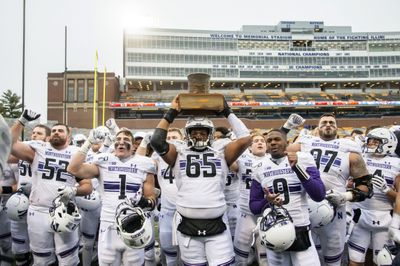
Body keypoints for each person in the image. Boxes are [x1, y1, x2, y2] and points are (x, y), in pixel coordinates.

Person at [150, 95, 252, 265]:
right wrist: (171, 113)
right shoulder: (179, 151)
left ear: (210, 134)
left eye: (202, 131)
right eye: (194, 131)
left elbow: (246, 139)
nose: (198, 135)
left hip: (218, 224)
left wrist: (227, 112)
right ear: (187, 134)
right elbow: (156, 141)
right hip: (187, 225)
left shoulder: (221, 150)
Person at [287, 113, 373, 266]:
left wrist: (345, 196)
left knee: (334, 255)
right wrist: (286, 128)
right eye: (324, 122)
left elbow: (367, 186)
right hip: (305, 206)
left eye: (332, 123)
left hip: (336, 207)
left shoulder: (349, 148)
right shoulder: (304, 143)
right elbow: (279, 155)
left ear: (337, 128)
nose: (328, 125)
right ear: (317, 127)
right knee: (304, 256)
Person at [10, 109, 93, 266]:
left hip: (64, 210)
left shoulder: (75, 154)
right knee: (41, 260)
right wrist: (22, 121)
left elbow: (87, 187)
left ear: (68, 137)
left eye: (60, 131)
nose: (56, 133)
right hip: (38, 211)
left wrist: (74, 191)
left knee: (69, 260)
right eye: (53, 130)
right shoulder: (38, 150)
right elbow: (10, 144)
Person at [67, 127, 157, 266]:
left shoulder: (145, 163)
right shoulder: (104, 160)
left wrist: (145, 202)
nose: (121, 142)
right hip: (108, 224)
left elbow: (151, 197)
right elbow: (73, 169)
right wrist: (89, 142)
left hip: (134, 223)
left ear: (134, 146)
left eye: (126, 139)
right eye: (118, 139)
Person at [250, 129, 326, 265]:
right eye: (269, 140)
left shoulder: (304, 158)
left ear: (287, 142)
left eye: (277, 139)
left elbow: (319, 195)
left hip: (300, 229)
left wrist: (297, 168)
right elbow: (254, 207)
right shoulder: (258, 166)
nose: (273, 142)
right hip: (274, 230)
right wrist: (267, 201)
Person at [348, 127, 400, 266]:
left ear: (388, 143)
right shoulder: (361, 158)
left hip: (384, 218)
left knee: (382, 261)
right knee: (355, 260)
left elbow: (399, 198)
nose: (370, 143)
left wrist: (386, 190)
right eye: (369, 140)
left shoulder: (397, 163)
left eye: (375, 141)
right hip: (359, 215)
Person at [8, 124, 50, 266]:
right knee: (19, 249)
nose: (34, 136)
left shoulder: (48, 154)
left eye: (39, 133)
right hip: (20, 201)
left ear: (47, 138)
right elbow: (6, 154)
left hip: (39, 204)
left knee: (41, 248)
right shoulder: (22, 152)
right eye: (33, 133)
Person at [232, 132, 269, 265]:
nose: (260, 142)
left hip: (266, 212)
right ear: (249, 146)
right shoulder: (242, 160)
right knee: (240, 253)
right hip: (245, 212)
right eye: (256, 141)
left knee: (265, 256)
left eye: (262, 141)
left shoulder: (274, 160)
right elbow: (229, 161)